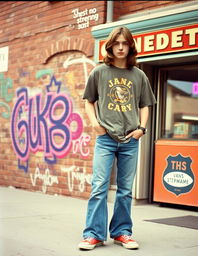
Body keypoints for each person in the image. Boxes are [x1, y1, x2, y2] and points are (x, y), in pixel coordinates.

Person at [78, 26, 156, 250]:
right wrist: (95, 123)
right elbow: (89, 100)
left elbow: (145, 105)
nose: (121, 47)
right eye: (117, 43)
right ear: (110, 46)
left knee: (125, 189)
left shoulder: (139, 75)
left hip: (130, 139)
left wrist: (142, 128)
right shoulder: (99, 72)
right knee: (99, 186)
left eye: (125, 43)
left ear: (130, 46)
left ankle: (122, 232)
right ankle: (93, 234)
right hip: (105, 138)